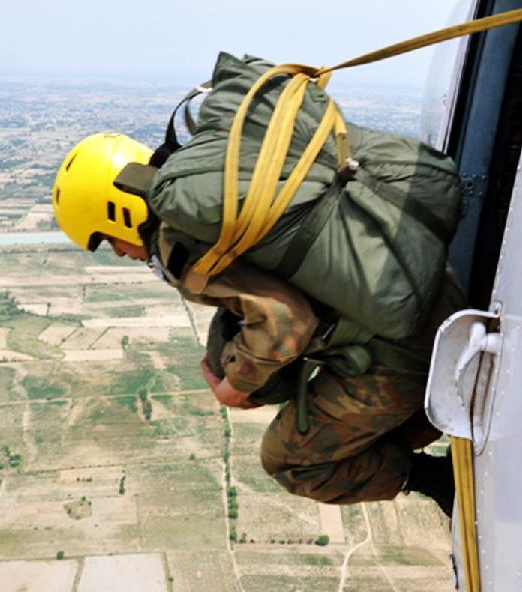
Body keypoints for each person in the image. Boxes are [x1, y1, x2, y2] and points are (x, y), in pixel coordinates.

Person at [53, 132, 462, 516]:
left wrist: (237, 386)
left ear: (118, 212)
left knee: (289, 461)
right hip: (434, 288)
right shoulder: (212, 179)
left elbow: (289, 320)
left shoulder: (181, 245)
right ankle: (410, 423)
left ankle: (436, 479)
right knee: (229, 349)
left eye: (108, 241)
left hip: (406, 346)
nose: (121, 254)